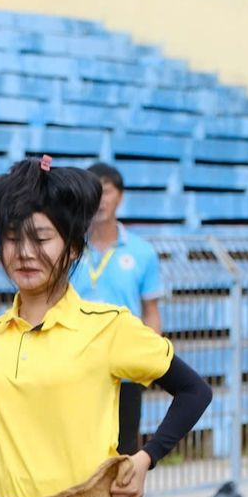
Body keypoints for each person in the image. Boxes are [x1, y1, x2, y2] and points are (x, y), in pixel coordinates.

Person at [0, 157, 211, 497]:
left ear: (73, 249)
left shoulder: (108, 326)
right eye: (11, 239)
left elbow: (194, 391)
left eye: (41, 239)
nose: (24, 253)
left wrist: (145, 459)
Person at [75, 162, 167, 456]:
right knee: (79, 452)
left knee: (124, 454)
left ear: (120, 197)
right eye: (95, 192)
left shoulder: (142, 252)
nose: (101, 200)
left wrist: (149, 359)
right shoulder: (68, 248)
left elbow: (151, 310)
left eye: (107, 191)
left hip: (124, 368)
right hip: (76, 365)